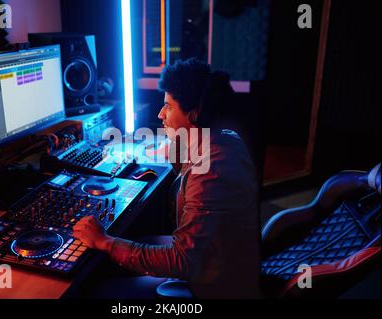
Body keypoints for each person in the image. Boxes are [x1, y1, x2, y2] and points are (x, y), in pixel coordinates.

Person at [73, 58, 261, 298]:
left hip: (212, 288)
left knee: (99, 291)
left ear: (196, 113)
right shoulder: (223, 138)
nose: (160, 114)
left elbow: (182, 260)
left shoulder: (211, 171)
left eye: (169, 106)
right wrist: (170, 145)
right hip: (219, 260)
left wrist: (104, 241)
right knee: (136, 241)